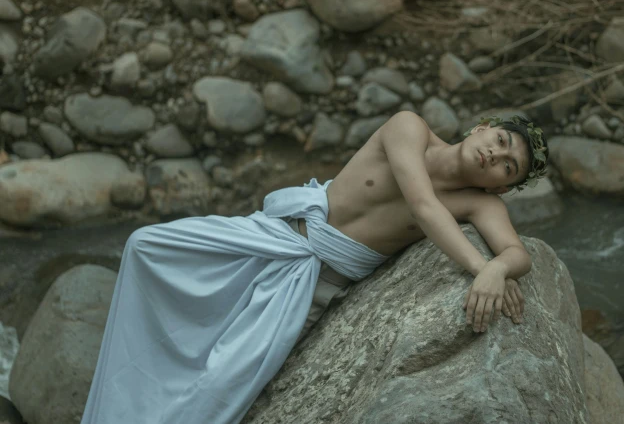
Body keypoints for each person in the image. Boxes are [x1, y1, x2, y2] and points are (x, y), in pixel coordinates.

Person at [80, 110, 548, 424]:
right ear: (482, 126)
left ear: (503, 190)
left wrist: (496, 269)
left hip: (314, 283)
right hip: (273, 234)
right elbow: (423, 205)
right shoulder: (409, 127)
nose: (496, 156)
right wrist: (476, 262)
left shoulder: (476, 203)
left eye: (508, 168)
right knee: (145, 245)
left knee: (220, 385)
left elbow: (517, 252)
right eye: (501, 141)